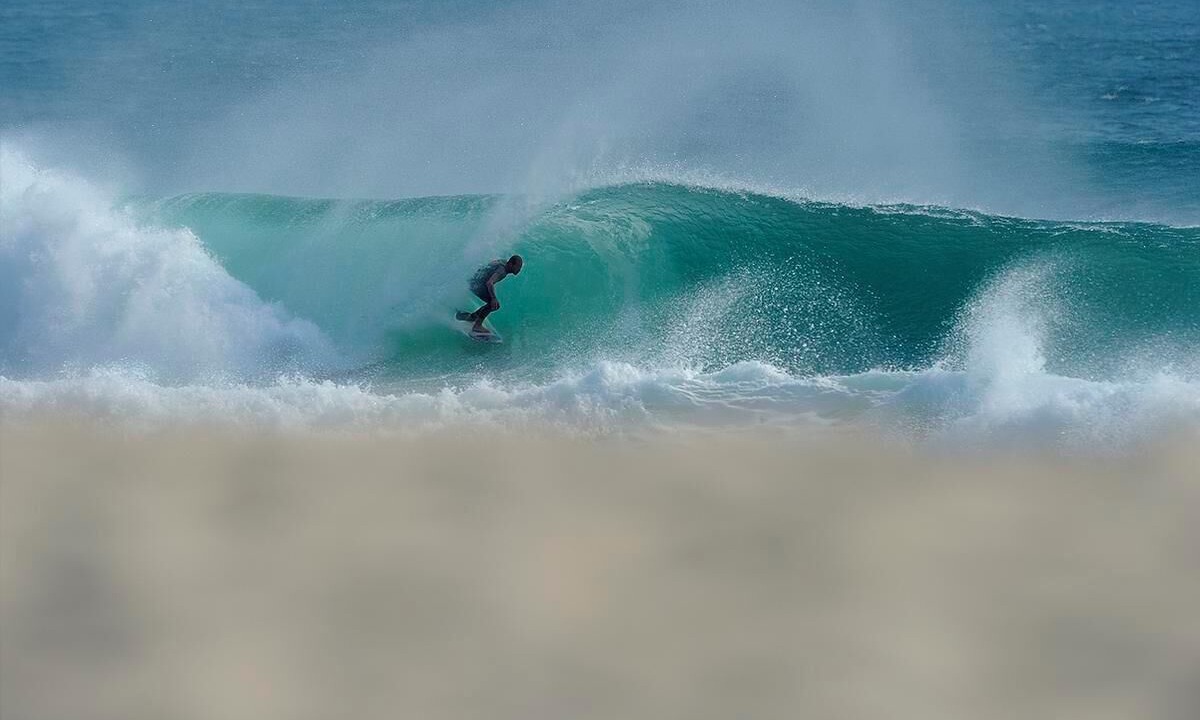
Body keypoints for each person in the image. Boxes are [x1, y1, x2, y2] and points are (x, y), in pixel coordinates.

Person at [456, 255, 523, 333]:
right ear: (511, 264)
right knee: (494, 305)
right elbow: (489, 283)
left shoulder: (503, 261)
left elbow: (490, 264)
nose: (519, 270)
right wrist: (493, 298)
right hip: (477, 285)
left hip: (474, 281)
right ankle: (477, 326)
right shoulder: (502, 271)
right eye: (518, 267)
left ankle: (472, 317)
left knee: (491, 303)